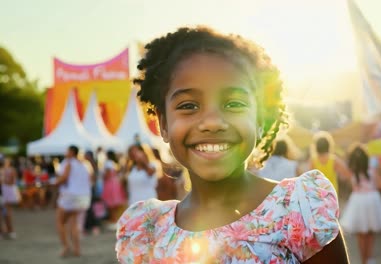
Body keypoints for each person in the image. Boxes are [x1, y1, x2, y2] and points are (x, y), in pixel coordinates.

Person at [116, 26, 348, 263]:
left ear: (259, 120)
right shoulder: (148, 233)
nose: (213, 122)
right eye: (188, 106)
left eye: (234, 104)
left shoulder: (299, 210)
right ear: (163, 124)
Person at [340, 144, 381, 264]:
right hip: (372, 200)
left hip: (358, 201)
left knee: (361, 234)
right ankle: (369, 259)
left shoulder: (351, 172)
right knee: (370, 232)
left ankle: (364, 260)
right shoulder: (372, 170)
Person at [55, 145, 92, 257]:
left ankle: (66, 247)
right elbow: (91, 179)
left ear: (72, 152)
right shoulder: (85, 164)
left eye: (67, 151)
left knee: (60, 222)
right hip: (84, 197)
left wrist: (54, 182)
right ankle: (77, 249)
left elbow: (64, 178)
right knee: (74, 223)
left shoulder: (69, 163)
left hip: (70, 197)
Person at [310, 131, 352, 196]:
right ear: (329, 145)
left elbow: (310, 179)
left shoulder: (313, 161)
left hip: (319, 194)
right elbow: (348, 174)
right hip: (332, 194)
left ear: (316, 146)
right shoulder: (333, 160)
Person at [101, 150, 127, 230]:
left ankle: (113, 221)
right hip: (115, 183)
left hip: (109, 184)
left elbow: (107, 174)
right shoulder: (114, 163)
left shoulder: (108, 163)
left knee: (111, 204)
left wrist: (103, 176)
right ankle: (115, 220)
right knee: (114, 204)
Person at [0, 158, 20, 239]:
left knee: (6, 213)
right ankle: (7, 231)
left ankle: (9, 231)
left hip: (5, 193)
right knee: (5, 213)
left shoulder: (10, 170)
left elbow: (13, 181)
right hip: (3, 193)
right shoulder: (3, 170)